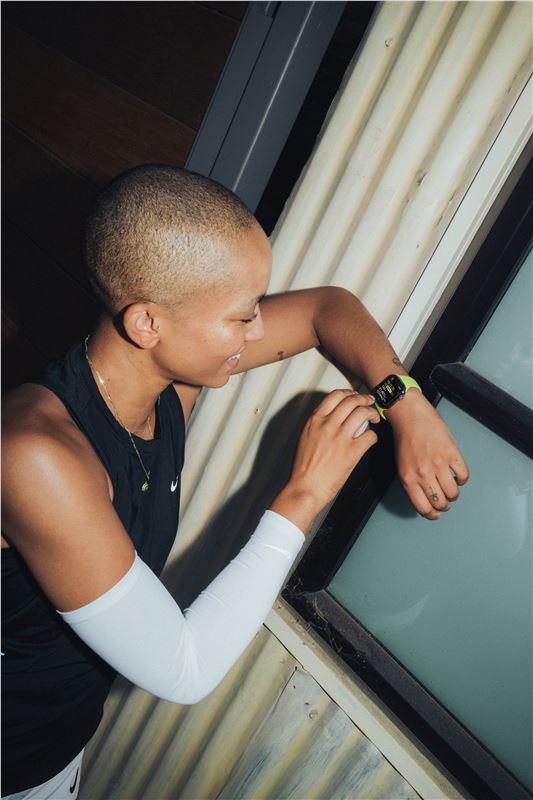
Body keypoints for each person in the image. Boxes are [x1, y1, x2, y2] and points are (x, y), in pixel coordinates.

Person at [1, 166, 469, 799]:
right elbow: (184, 669)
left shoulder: (170, 382)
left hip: (58, 746)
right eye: (241, 317)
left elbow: (325, 308)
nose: (258, 333)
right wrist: (304, 493)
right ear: (147, 324)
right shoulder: (35, 456)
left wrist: (405, 401)